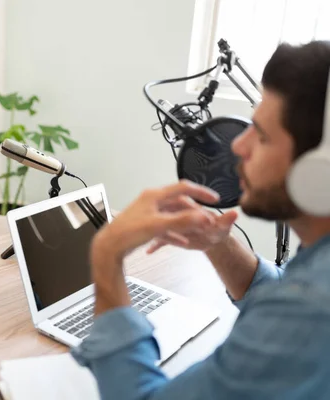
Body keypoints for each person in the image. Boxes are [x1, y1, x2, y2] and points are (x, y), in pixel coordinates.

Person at [72, 41, 330, 399]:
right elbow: (285, 294)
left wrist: (106, 254)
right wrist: (218, 243)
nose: (239, 146)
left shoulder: (312, 307)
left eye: (264, 136)